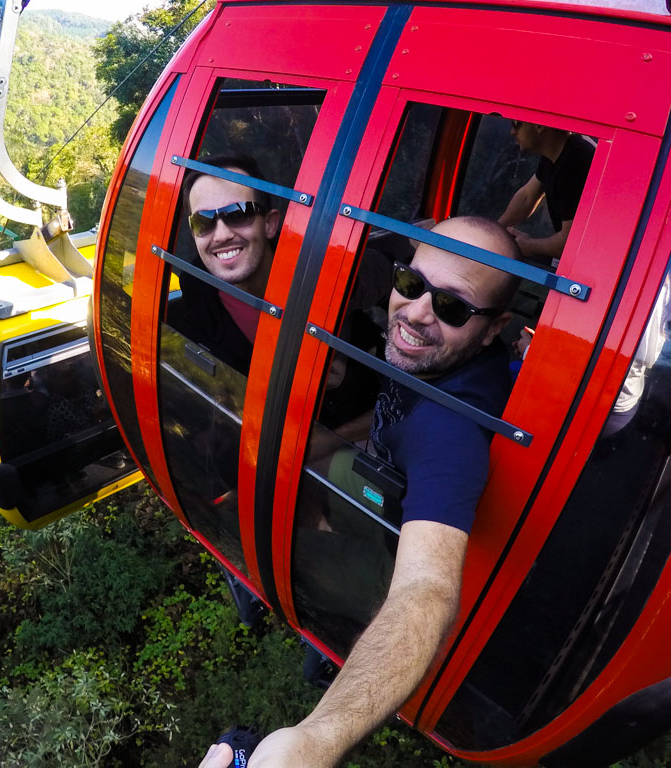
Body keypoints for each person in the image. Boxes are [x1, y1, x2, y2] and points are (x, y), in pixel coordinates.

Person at [199, 216, 519, 768]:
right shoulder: (443, 361)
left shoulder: (452, 431)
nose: (416, 312)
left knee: (289, 551)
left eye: (452, 308)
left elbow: (427, 592)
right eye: (413, 285)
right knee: (321, 469)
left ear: (494, 328)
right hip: (386, 484)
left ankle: (322, 636)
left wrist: (318, 738)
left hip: (398, 549)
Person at [167, 155, 282, 375]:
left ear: (269, 224)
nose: (221, 235)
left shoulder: (321, 287)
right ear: (194, 235)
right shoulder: (191, 323)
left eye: (238, 214)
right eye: (204, 221)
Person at [497, 120, 595, 262]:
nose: (512, 132)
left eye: (516, 124)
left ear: (539, 125)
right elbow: (526, 197)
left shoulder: (576, 162)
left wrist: (530, 246)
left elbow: (570, 243)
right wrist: (495, 230)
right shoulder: (557, 153)